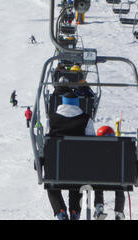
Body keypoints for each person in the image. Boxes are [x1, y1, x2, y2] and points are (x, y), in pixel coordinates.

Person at [47, 92, 96, 220]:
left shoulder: (52, 119)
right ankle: (75, 211)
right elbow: (93, 143)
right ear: (77, 103)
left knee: (51, 184)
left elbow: (47, 143)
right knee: (77, 182)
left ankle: (60, 211)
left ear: (62, 103)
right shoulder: (86, 119)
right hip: (78, 170)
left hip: (57, 170)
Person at [93, 126, 126, 220]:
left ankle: (99, 207)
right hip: (117, 180)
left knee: (97, 183)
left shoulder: (95, 150)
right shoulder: (120, 149)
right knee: (121, 184)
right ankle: (119, 212)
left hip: (99, 180)